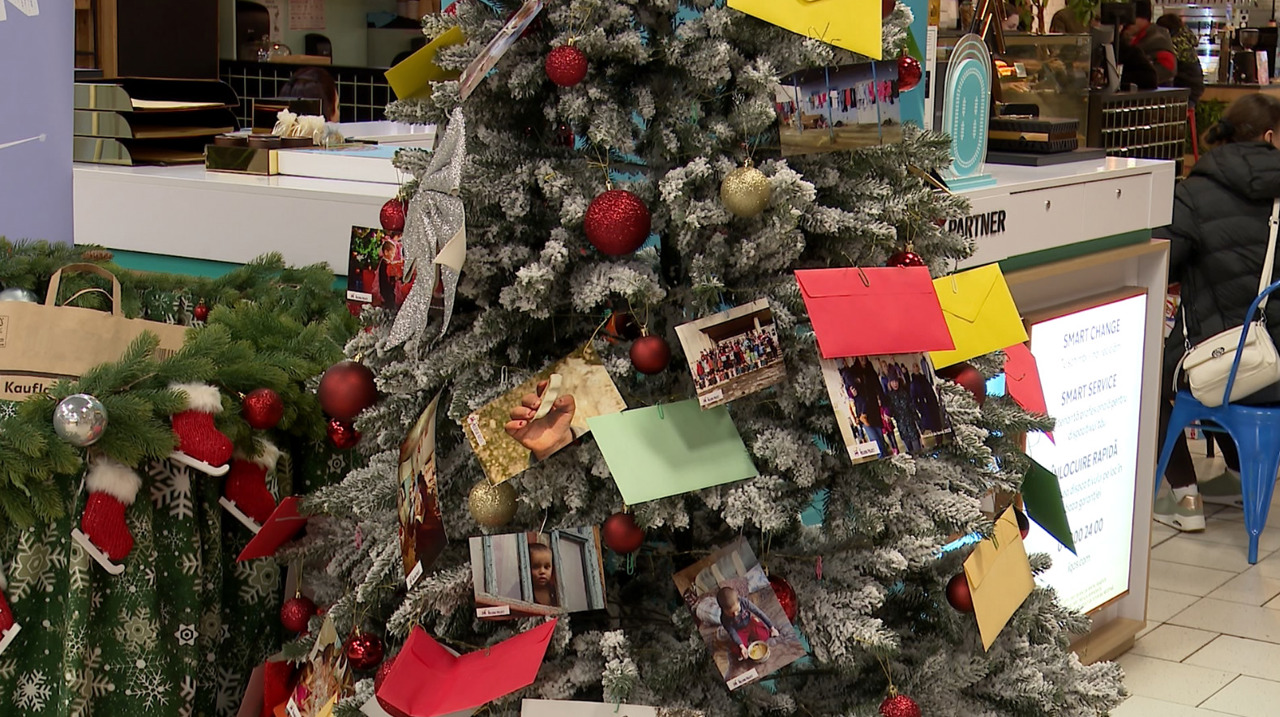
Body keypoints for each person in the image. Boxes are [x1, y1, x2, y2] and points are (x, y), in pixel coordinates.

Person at [1152, 92, 1280, 531]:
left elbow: (1163, 260)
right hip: (1275, 367)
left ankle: (1185, 498)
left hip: (1223, 366)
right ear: (1269, 137)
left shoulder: (1195, 193)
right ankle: (1241, 476)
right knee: (1228, 355)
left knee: (1155, 375)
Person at [715, 585, 778, 661]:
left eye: (737, 610)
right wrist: (741, 646)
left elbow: (759, 613)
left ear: (738, 601)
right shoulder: (724, 618)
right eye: (731, 613)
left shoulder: (744, 602)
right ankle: (744, 646)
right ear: (723, 610)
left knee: (765, 635)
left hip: (750, 622)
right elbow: (732, 633)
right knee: (736, 650)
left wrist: (771, 627)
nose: (735, 614)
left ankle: (753, 635)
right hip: (739, 631)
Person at [1123, 1, 1176, 86]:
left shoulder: (1157, 39)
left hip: (1155, 92)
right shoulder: (1134, 38)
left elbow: (1168, 69)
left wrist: (1133, 78)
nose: (1126, 24)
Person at [1156, 13, 1205, 105]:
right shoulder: (1186, 37)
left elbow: (1167, 69)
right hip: (1195, 86)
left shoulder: (1173, 43)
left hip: (1183, 89)